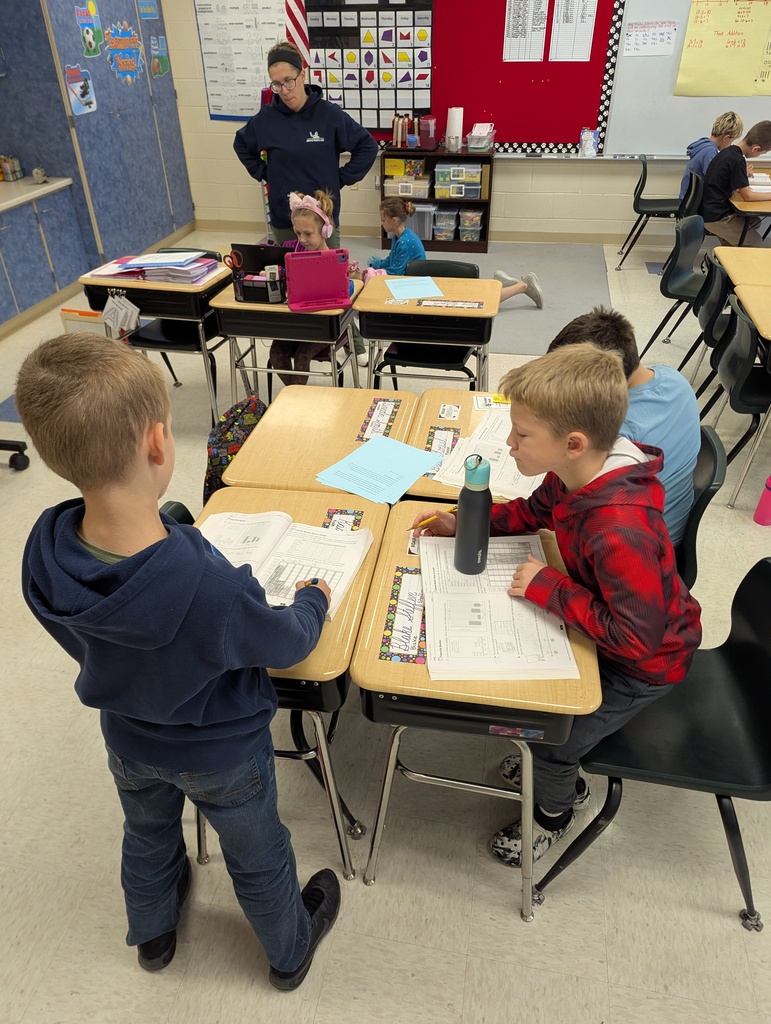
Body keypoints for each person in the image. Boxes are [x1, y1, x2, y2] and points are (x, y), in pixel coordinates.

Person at [16, 333, 340, 990]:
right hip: (224, 754)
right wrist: (312, 600)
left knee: (146, 835)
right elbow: (287, 644)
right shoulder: (210, 588)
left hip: (129, 741)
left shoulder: (44, 552)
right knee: (257, 854)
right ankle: (288, 951)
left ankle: (154, 936)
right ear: (159, 444)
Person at [411, 343, 702, 868]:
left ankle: (554, 815)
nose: (510, 443)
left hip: (644, 667)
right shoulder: (575, 475)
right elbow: (532, 512)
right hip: (616, 631)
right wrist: (469, 523)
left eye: (522, 435)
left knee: (551, 740)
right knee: (536, 715)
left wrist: (549, 587)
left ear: (573, 443)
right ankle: (554, 774)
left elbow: (637, 639)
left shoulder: (619, 529)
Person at [547, 305, 700, 546]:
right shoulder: (673, 377)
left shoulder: (617, 433)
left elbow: (562, 500)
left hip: (636, 545)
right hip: (667, 524)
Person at [233, 39, 377, 252]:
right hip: (284, 219)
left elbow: (367, 146)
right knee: (288, 270)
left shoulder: (329, 114)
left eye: (288, 81)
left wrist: (339, 179)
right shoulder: (266, 118)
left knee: (326, 270)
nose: (284, 90)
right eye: (276, 84)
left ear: (302, 75)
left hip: (321, 219)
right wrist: (266, 173)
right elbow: (241, 144)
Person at [269, 190, 355, 385]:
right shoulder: (291, 252)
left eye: (308, 234)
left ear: (325, 232)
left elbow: (348, 290)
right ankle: (296, 396)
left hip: (321, 327)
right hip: (295, 324)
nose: (302, 239)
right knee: (276, 354)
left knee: (301, 357)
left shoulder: (335, 261)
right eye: (298, 233)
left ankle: (296, 397)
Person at [701, 119, 771, 246]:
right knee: (755, 242)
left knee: (754, 222)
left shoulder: (729, 152)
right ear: (755, 149)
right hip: (717, 217)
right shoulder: (737, 160)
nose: (761, 155)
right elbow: (748, 196)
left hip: (710, 210)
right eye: (762, 153)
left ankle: (727, 251)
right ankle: (725, 254)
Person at [679, 111, 743, 200]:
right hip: (697, 203)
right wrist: (738, 179)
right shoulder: (709, 151)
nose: (731, 144)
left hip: (690, 200)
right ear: (726, 138)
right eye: (732, 140)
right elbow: (716, 183)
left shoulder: (704, 144)